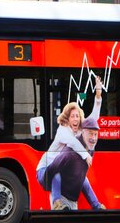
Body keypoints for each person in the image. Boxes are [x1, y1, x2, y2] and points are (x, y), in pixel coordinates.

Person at [36, 77, 103, 209]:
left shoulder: (79, 131)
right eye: (72, 116)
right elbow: (72, 143)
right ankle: (57, 203)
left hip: (62, 168)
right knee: (57, 174)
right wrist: (86, 155)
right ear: (67, 118)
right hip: (45, 171)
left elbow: (93, 119)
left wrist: (98, 94)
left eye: (77, 116)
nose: (75, 119)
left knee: (83, 178)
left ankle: (96, 206)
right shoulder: (63, 131)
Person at [45, 116, 103, 210]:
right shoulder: (70, 152)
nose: (93, 138)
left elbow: (82, 179)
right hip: (62, 200)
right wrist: (57, 200)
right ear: (83, 132)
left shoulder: (90, 149)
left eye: (96, 134)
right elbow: (53, 171)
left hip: (73, 200)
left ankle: (96, 205)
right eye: (90, 133)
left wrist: (96, 205)